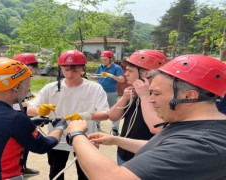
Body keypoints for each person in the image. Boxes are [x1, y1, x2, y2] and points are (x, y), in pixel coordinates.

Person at [66, 54, 226, 180]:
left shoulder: (201, 144)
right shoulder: (192, 126)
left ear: (189, 96)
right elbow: (162, 147)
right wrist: (116, 140)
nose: (151, 99)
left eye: (156, 93)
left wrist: (76, 134)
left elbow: (110, 177)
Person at [27, 50, 109, 180]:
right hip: (57, 138)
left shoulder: (94, 88)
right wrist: (39, 111)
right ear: (60, 68)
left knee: (85, 174)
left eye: (75, 70)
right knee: (56, 172)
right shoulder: (50, 88)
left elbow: (105, 114)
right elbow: (30, 109)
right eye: (66, 69)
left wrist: (85, 115)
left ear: (83, 68)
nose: (70, 74)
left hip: (84, 138)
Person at [108, 49, 168, 164]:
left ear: (146, 74)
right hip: (123, 153)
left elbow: (157, 128)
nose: (125, 74)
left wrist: (145, 97)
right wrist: (125, 98)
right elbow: (112, 117)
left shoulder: (163, 97)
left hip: (146, 159)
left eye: (130, 71)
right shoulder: (133, 92)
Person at [91, 51, 125, 135]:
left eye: (105, 60)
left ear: (111, 59)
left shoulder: (117, 68)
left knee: (114, 110)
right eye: (102, 59)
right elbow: (97, 77)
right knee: (97, 109)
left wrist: (111, 75)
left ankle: (115, 129)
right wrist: (85, 75)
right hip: (99, 92)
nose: (103, 61)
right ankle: (97, 125)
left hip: (111, 92)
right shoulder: (101, 66)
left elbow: (122, 79)